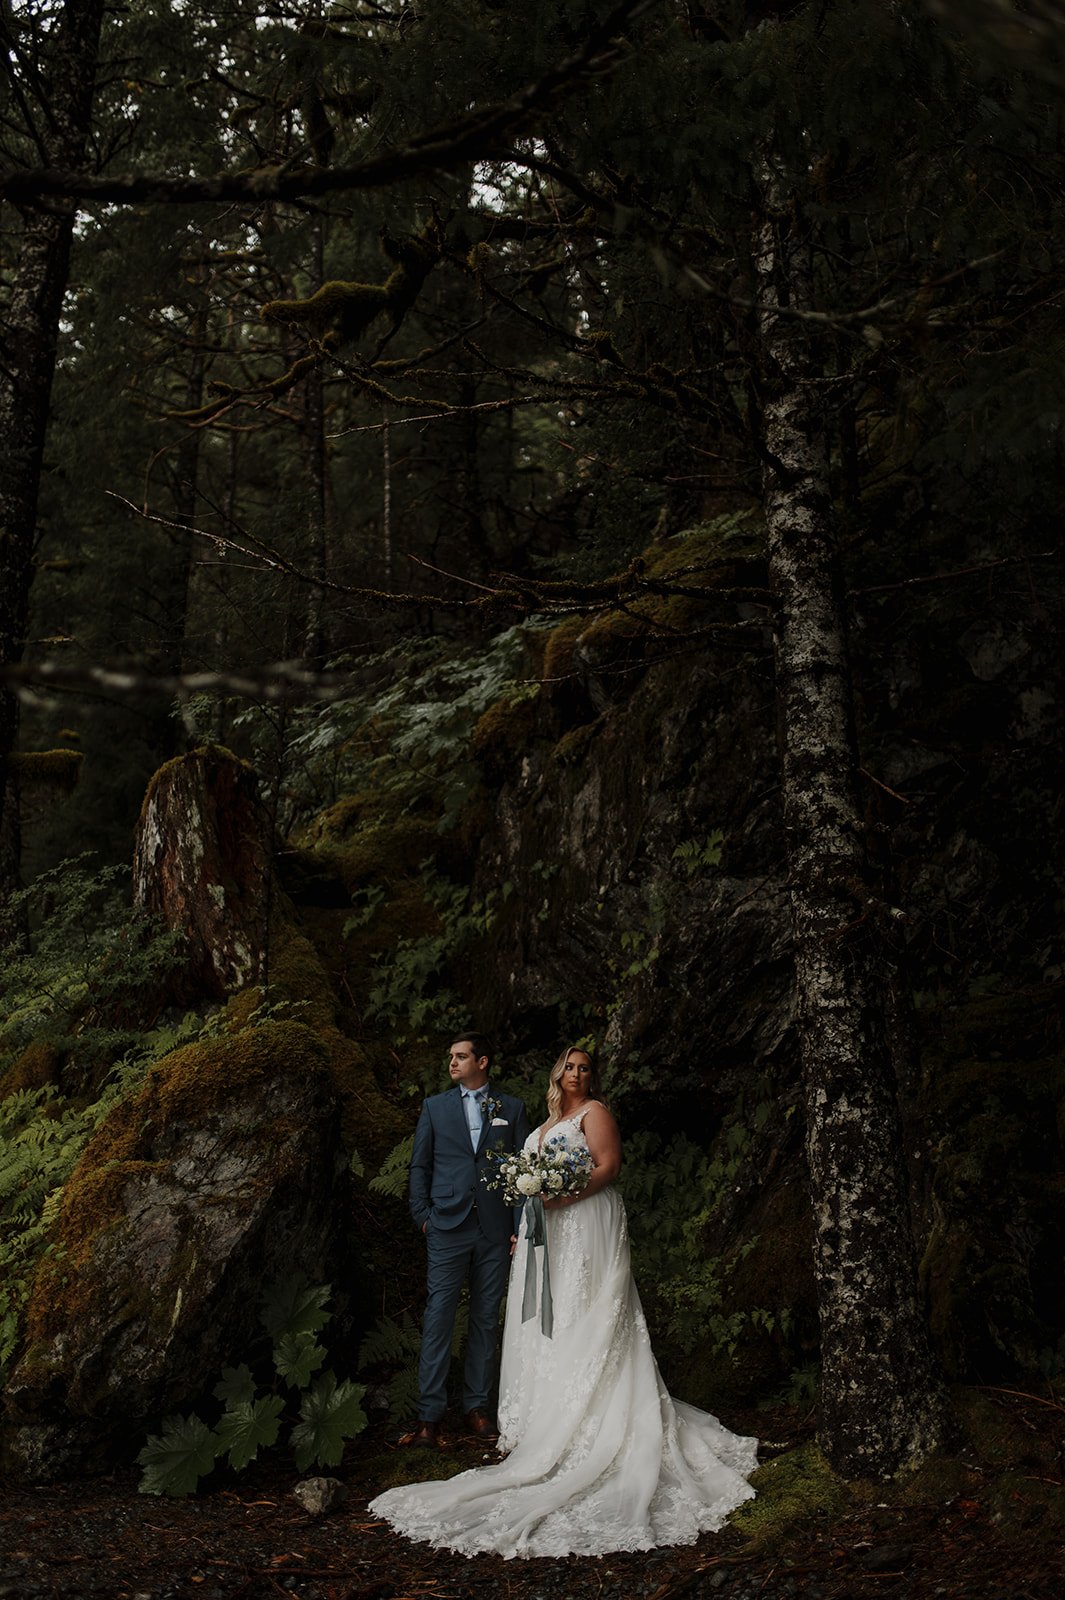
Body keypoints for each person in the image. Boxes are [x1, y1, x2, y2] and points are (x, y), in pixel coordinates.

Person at [370, 1045, 758, 1558]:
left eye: (584, 1068)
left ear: (591, 1077)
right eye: (569, 1066)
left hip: (585, 1222)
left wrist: (559, 1195)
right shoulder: (548, 1118)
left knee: (583, 1309)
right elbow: (509, 1173)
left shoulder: (595, 1113)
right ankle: (515, 1415)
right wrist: (530, 1211)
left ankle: (589, 1418)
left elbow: (608, 1165)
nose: (576, 1073)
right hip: (544, 1229)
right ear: (559, 1073)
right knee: (541, 1319)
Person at [404, 1033, 531, 1446]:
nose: (453, 1063)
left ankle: (477, 1408)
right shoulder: (435, 1107)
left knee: (484, 1319)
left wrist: (518, 1227)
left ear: (483, 1061)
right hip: (446, 1226)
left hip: (495, 1230)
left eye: (461, 1056)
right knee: (439, 1317)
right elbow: (419, 1165)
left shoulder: (511, 1109)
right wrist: (423, 1217)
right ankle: (429, 1415)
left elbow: (520, 1172)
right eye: (451, 1056)